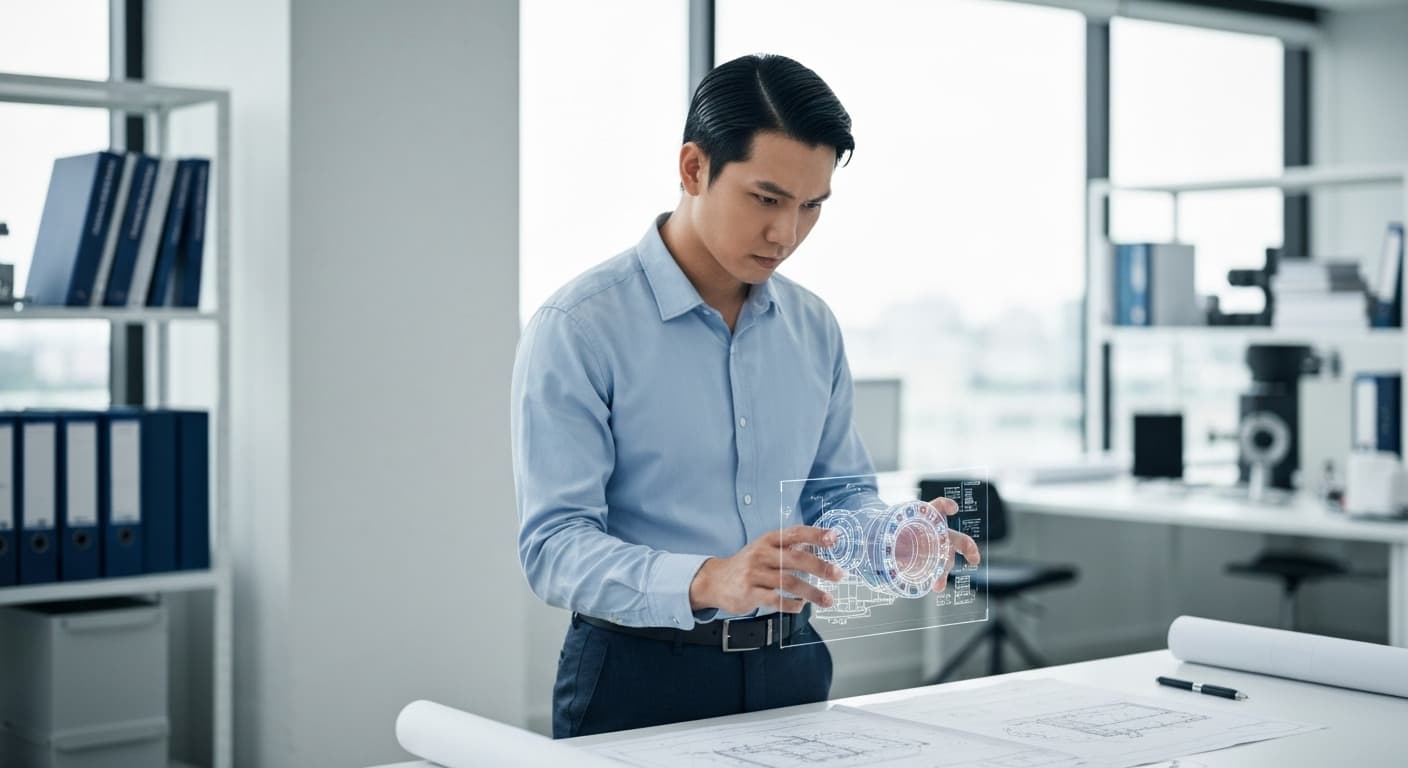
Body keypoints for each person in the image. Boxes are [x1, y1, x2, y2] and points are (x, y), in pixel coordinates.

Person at [511, 53, 980, 739]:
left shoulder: (813, 326)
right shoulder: (579, 327)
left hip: (792, 665)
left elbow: (837, 495)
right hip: (636, 677)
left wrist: (890, 538)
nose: (785, 234)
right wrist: (709, 579)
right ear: (693, 168)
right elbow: (554, 547)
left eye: (811, 206)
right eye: (766, 199)